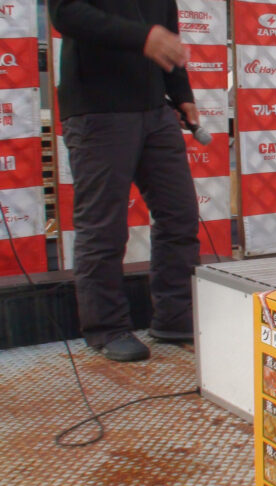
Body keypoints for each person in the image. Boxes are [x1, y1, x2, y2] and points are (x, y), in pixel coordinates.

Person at [50, 0, 201, 362]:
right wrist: (143, 37)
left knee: (179, 214)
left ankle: (175, 317)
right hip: (97, 109)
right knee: (103, 226)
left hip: (155, 108)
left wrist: (182, 95)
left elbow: (168, 40)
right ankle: (106, 328)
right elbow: (65, 13)